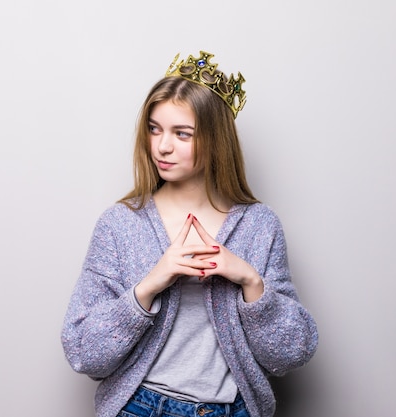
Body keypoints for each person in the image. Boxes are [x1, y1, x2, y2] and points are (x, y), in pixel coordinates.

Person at [61, 50, 318, 417]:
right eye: (154, 129)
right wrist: (149, 286)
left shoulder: (260, 225)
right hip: (140, 408)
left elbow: (291, 355)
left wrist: (251, 283)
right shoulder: (120, 224)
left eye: (182, 134)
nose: (162, 146)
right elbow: (84, 353)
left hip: (233, 410)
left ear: (216, 141)